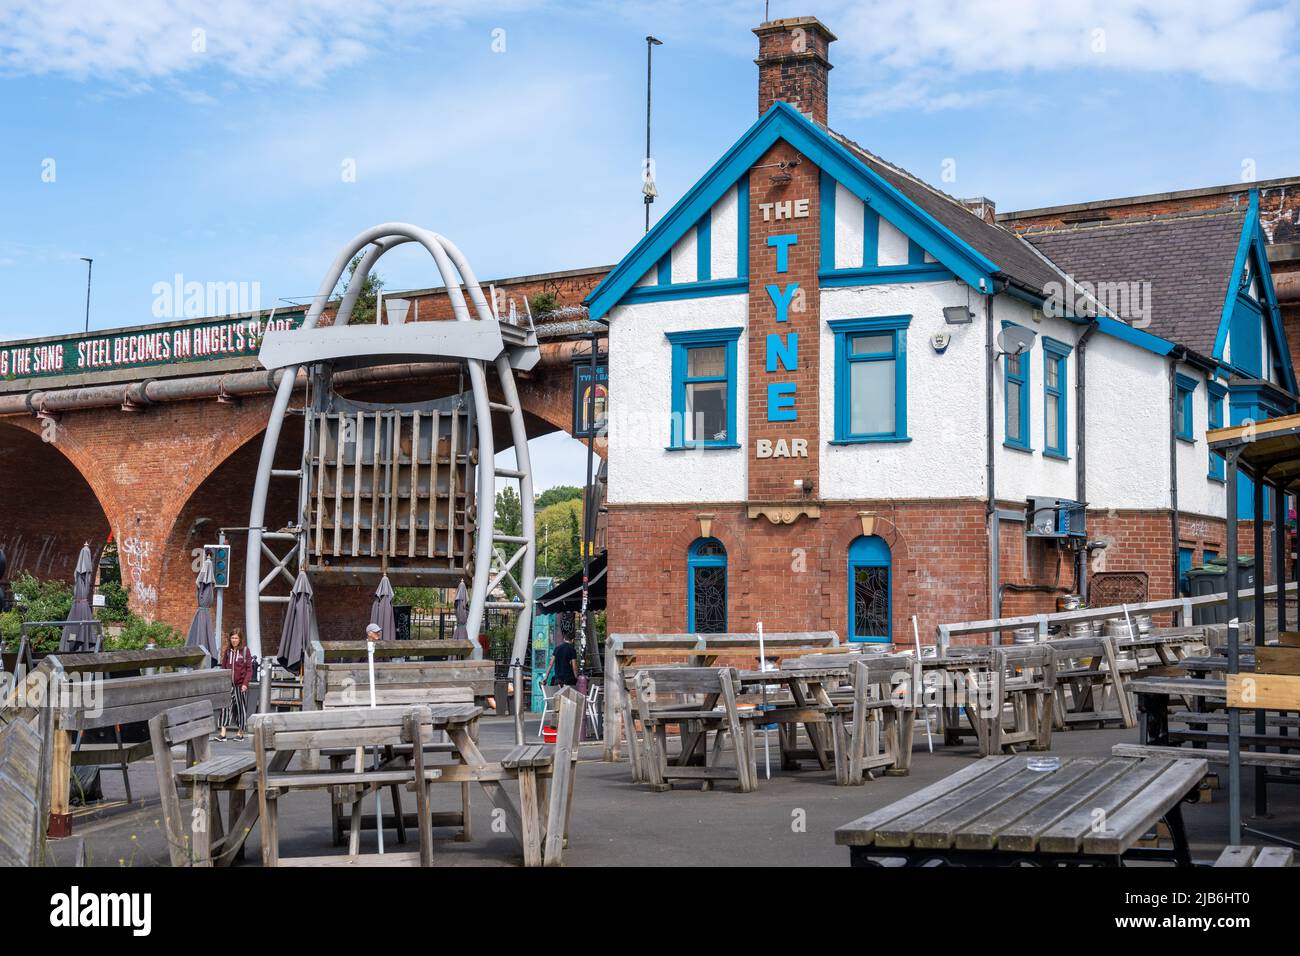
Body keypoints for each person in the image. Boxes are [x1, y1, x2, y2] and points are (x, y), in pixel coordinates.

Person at [217, 628, 252, 741]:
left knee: (241, 709)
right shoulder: (227, 651)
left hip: (241, 685)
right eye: (232, 638)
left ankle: (240, 733)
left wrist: (245, 684)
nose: (234, 640)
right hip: (229, 685)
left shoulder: (245, 651)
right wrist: (223, 682)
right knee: (225, 707)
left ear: (240, 639)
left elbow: (249, 670)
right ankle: (223, 734)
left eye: (236, 638)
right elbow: (223, 667)